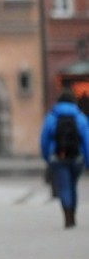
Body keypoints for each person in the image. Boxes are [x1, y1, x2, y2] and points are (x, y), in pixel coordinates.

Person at [39, 88, 89, 228]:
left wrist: (46, 157)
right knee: (73, 186)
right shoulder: (80, 117)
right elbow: (86, 139)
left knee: (64, 186)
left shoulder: (51, 117)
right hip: (77, 158)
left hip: (58, 157)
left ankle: (67, 216)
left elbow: (44, 139)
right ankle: (73, 214)